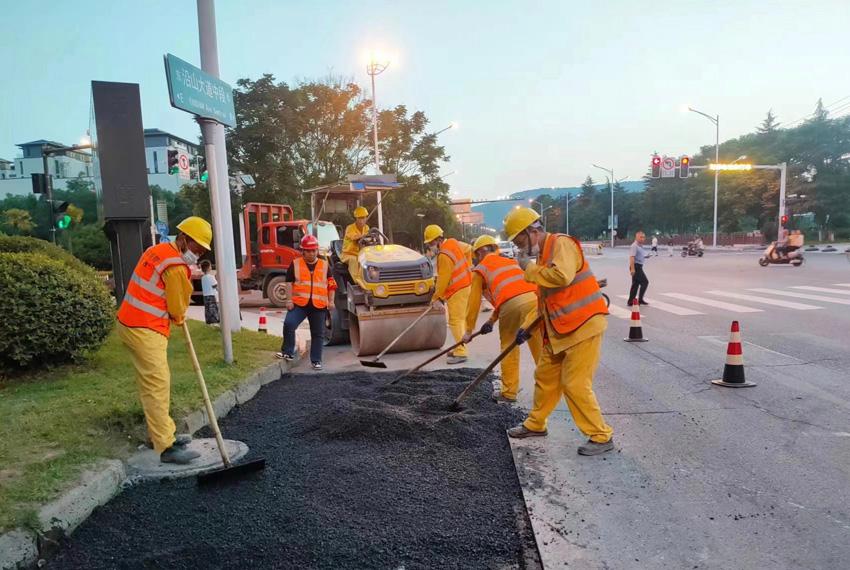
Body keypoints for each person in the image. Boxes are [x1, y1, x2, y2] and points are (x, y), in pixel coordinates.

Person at [502, 207, 614, 456]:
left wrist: (527, 269)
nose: (520, 247)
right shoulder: (543, 257)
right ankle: (536, 424)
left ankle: (600, 435)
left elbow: (561, 277)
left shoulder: (560, 244)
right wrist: (526, 328)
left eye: (520, 240)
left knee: (574, 384)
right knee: (545, 377)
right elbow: (545, 301)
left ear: (532, 231)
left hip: (583, 326)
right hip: (560, 330)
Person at [116, 216, 213, 465]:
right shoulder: (177, 267)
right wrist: (179, 315)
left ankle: (160, 434)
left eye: (202, 250)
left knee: (152, 385)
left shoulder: (157, 250)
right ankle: (166, 448)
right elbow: (177, 308)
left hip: (129, 321)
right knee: (157, 385)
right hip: (145, 328)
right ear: (184, 239)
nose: (198, 253)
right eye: (196, 247)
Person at [463, 235, 542, 403]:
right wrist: (491, 321)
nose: (477, 259)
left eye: (476, 255)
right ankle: (550, 388)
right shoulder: (511, 262)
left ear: (481, 251)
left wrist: (468, 331)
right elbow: (509, 293)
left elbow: (474, 303)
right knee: (540, 348)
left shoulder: (481, 269)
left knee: (509, 347)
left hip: (512, 306)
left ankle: (509, 392)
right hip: (535, 302)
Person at [278, 234, 337, 370]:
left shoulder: (324, 265)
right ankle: (288, 351)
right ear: (302, 251)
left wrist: (331, 301)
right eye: (308, 251)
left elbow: (331, 284)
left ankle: (316, 360)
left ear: (317, 250)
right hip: (299, 304)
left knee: (318, 334)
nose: (311, 253)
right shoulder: (295, 264)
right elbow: (288, 283)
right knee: (289, 324)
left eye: (313, 250)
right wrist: (288, 300)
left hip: (319, 306)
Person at [424, 224, 473, 365]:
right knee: (460, 320)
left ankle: (461, 352)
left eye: (432, 243)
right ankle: (459, 347)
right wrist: (468, 268)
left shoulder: (444, 255)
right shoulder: (453, 242)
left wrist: (436, 298)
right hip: (466, 285)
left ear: (439, 239)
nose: (431, 246)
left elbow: (442, 280)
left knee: (455, 321)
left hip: (457, 290)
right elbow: (469, 249)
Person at [341, 206, 370, 284]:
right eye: (359, 218)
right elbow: (355, 238)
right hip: (348, 254)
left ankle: (371, 279)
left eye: (363, 218)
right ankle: (357, 282)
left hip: (360, 254)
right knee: (354, 260)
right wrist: (366, 237)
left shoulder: (366, 228)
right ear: (356, 218)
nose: (361, 220)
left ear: (366, 218)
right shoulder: (350, 228)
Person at [627, 231, 649, 306]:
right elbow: (632, 257)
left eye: (644, 237)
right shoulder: (634, 246)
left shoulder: (640, 246)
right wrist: (633, 269)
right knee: (645, 282)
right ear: (636, 237)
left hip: (639, 266)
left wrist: (646, 256)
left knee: (635, 284)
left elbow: (640, 255)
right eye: (641, 237)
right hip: (636, 266)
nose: (643, 239)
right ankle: (640, 300)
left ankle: (630, 301)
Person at [200, 260, 219, 325]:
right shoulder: (211, 277)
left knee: (207, 309)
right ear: (209, 268)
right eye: (210, 266)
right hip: (211, 295)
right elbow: (215, 286)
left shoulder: (203, 278)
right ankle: (214, 321)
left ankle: (208, 321)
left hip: (205, 295)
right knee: (213, 309)